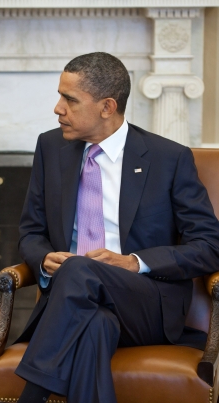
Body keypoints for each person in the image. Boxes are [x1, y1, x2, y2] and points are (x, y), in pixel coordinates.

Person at [15, 52, 219, 403]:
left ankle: (31, 394)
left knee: (80, 268)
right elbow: (30, 232)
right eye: (60, 96)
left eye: (70, 100)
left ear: (107, 107)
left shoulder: (168, 158)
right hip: (74, 302)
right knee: (94, 325)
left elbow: (210, 246)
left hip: (145, 302)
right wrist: (45, 258)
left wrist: (134, 262)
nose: (57, 108)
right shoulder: (50, 148)